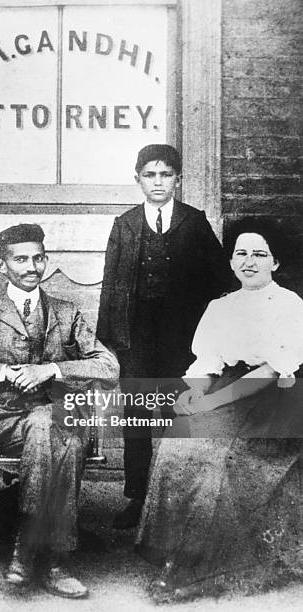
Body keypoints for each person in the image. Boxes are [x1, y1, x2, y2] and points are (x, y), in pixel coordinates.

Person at [0, 224, 119, 599]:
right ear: (2, 267)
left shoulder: (66, 313)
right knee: (60, 436)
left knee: (50, 424)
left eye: (38, 258)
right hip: (0, 422)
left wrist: (53, 369)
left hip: (51, 419)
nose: (32, 267)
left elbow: (109, 367)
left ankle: (26, 548)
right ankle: (53, 559)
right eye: (21, 259)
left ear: (46, 260)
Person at [135, 217, 303, 602]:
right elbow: (207, 364)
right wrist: (193, 395)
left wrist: (211, 403)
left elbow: (270, 370)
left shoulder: (290, 305)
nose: (249, 261)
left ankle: (196, 567)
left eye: (260, 254)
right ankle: (171, 555)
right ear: (230, 262)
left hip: (273, 401)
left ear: (275, 263)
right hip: (227, 390)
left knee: (216, 454)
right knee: (177, 441)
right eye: (241, 253)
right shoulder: (220, 306)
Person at [97, 144, 231, 528]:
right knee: (137, 417)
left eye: (166, 174)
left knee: (178, 412)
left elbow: (221, 280)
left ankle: (175, 499)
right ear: (137, 179)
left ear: (178, 179)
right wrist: (109, 340)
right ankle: (137, 498)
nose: (158, 182)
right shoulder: (125, 225)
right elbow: (111, 285)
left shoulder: (194, 222)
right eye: (150, 175)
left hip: (181, 338)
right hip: (136, 336)